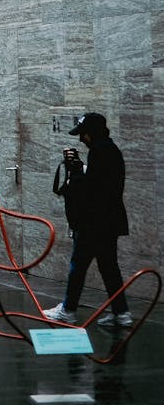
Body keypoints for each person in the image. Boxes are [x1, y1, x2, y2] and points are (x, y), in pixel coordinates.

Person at [43, 112, 132, 327]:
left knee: (78, 265)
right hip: (109, 221)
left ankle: (68, 310)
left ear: (91, 133)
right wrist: (81, 168)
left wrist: (76, 174)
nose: (81, 139)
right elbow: (101, 181)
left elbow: (93, 189)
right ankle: (121, 313)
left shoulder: (100, 152)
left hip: (94, 222)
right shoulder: (109, 150)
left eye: (83, 134)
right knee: (109, 267)